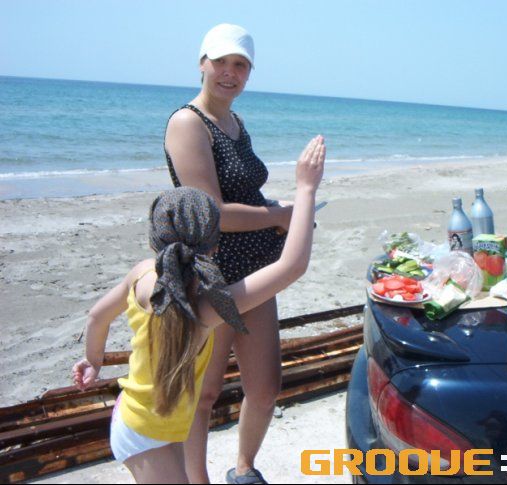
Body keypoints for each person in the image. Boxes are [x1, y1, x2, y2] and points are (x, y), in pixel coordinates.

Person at [72, 135, 325, 484]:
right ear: (215, 246)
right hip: (147, 434)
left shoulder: (140, 274)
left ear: (153, 239)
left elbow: (96, 316)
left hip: (141, 419)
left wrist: (93, 360)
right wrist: (306, 189)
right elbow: (291, 266)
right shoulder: (208, 308)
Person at [163, 24, 302, 483]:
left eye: (240, 64)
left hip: (255, 269)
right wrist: (281, 214)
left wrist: (280, 211)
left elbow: (244, 194)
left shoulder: (235, 122)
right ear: (202, 63)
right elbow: (214, 213)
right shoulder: (188, 122)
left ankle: (243, 468)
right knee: (203, 394)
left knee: (264, 388)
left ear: (249, 72)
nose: (229, 72)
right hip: (213, 275)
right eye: (220, 61)